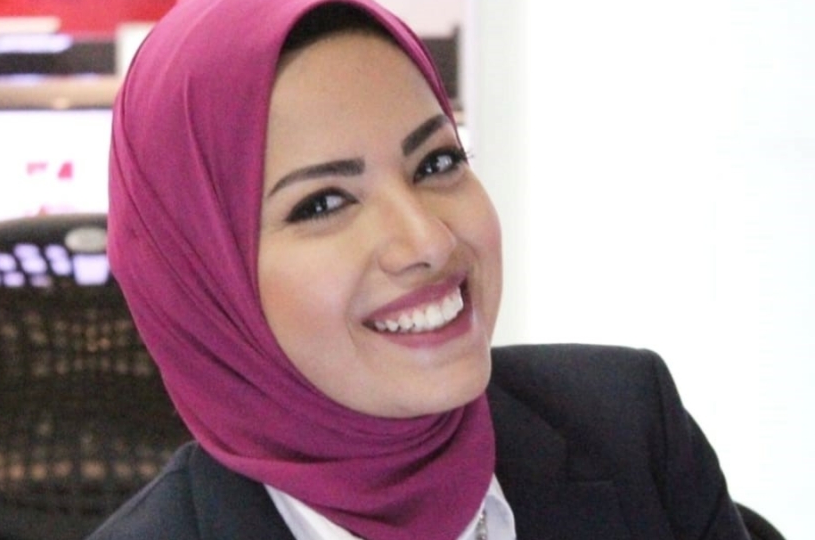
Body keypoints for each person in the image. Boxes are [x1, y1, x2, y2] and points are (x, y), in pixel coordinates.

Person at [90, 0, 751, 538]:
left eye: (437, 162)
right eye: (324, 204)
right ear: (202, 284)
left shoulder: (628, 429)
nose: (428, 241)